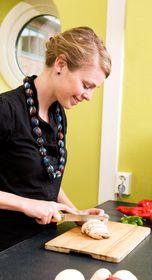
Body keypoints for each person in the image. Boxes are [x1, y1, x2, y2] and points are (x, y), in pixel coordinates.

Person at [0, 26, 111, 251]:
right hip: (6, 249)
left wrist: (76, 214)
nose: (88, 96)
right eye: (86, 85)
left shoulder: (58, 115)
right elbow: (33, 197)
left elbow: (46, 180)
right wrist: (25, 205)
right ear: (60, 65)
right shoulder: (6, 109)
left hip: (45, 244)